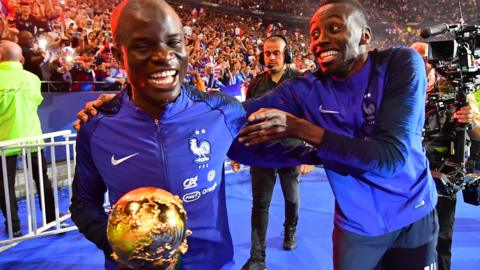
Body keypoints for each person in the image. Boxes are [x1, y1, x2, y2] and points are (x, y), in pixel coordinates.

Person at [230, 0, 440, 269]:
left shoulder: (399, 63)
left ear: (365, 35)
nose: (320, 40)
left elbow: (391, 158)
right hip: (357, 225)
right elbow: (235, 122)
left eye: (334, 28)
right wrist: (190, 102)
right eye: (315, 34)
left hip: (414, 211)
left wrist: (301, 130)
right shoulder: (305, 89)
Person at [69, 1, 245, 269]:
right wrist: (124, 247)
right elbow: (83, 204)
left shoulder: (223, 111)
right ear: (119, 57)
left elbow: (273, 141)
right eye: (143, 46)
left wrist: (311, 139)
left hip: (212, 263)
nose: (164, 56)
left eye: (174, 42)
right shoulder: (96, 126)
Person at [240, 35, 311, 270]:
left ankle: (290, 229)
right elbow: (245, 118)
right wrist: (240, 149)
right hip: (261, 152)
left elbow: (310, 117)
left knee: (292, 199)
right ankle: (257, 258)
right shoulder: (255, 83)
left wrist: (309, 150)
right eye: (267, 53)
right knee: (260, 204)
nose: (271, 57)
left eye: (276, 53)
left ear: (287, 55)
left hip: (290, 150)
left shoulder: (300, 81)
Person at [411, 42, 480, 270]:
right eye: (414, 56)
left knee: (440, 237)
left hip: (441, 173)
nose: (420, 61)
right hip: (408, 173)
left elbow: (477, 132)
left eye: (425, 57)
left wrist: (470, 119)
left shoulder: (455, 89)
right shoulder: (399, 87)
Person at [0, 39, 57, 237]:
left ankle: (14, 227)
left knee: (5, 186)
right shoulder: (33, 79)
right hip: (32, 138)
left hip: (4, 142)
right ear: (22, 59)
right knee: (42, 180)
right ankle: (53, 220)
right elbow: (37, 101)